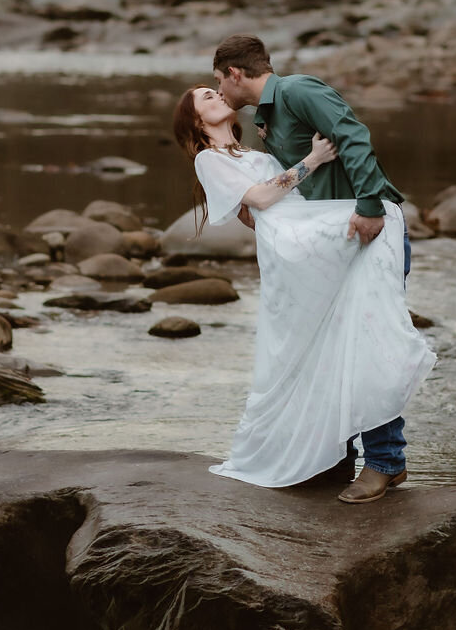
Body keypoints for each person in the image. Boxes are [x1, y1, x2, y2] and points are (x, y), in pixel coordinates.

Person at [173, 77, 435, 504]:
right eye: (206, 96)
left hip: (304, 231)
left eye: (216, 87)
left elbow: (270, 192)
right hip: (294, 242)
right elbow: (258, 199)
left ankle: (370, 458)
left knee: (352, 334)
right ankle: (354, 456)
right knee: (326, 340)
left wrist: (276, 146)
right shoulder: (208, 159)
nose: (216, 93)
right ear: (196, 121)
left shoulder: (252, 150)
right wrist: (312, 159)